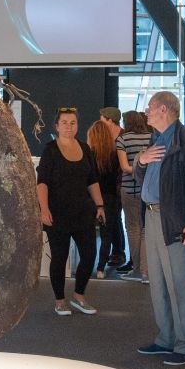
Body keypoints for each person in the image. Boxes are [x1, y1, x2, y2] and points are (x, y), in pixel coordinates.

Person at [133, 91, 185, 366]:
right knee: (159, 283)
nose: (147, 112)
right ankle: (166, 338)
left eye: (150, 108)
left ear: (164, 109)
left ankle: (184, 345)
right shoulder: (157, 139)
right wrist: (141, 160)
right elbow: (142, 175)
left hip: (174, 218)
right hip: (153, 217)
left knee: (179, 283)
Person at [37, 107, 106, 316]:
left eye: (73, 122)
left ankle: (79, 296)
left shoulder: (85, 149)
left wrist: (100, 206)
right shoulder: (50, 150)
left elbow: (92, 181)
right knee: (59, 257)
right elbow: (42, 183)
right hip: (56, 214)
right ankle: (60, 300)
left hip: (83, 212)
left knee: (89, 255)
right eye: (64, 123)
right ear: (57, 126)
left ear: (77, 125)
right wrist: (44, 209)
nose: (69, 126)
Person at [116, 110, 152, 283]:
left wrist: (136, 170)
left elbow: (124, 167)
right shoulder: (150, 138)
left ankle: (137, 269)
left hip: (129, 188)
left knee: (132, 228)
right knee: (146, 230)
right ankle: (147, 271)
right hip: (148, 189)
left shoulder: (122, 139)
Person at [86, 121, 121, 280]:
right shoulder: (114, 154)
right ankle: (101, 268)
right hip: (111, 197)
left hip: (92, 197)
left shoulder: (88, 154)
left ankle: (87, 265)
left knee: (89, 234)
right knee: (107, 234)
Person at [98, 107, 125, 265]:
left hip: (120, 184)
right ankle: (117, 251)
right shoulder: (106, 137)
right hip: (110, 185)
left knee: (115, 218)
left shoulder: (123, 137)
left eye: (102, 118)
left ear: (110, 120)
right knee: (114, 219)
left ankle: (119, 252)